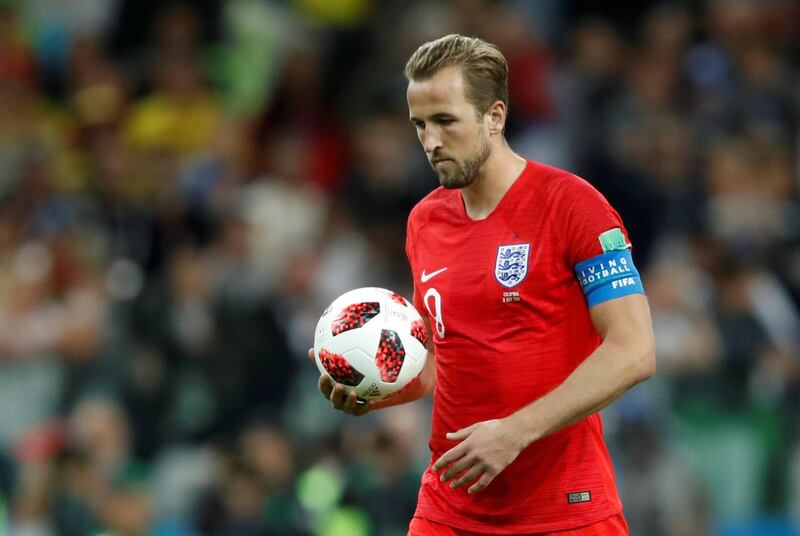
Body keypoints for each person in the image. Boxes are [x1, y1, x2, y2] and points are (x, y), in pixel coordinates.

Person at [310, 34, 655, 536]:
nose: (430, 141)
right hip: (450, 507)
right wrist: (375, 390)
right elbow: (435, 367)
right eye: (419, 125)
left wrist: (515, 432)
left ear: (494, 116)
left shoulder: (572, 206)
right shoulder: (425, 222)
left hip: (564, 509)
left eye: (445, 121)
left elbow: (634, 350)